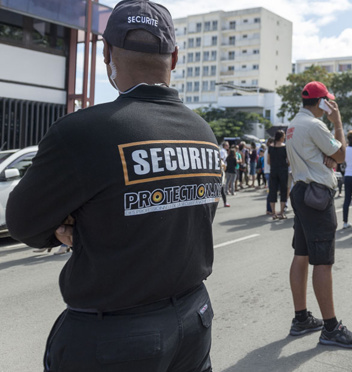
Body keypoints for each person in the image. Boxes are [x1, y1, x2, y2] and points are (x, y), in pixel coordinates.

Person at [6, 1, 220, 371]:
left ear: (106, 53)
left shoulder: (82, 132)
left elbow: (24, 223)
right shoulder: (203, 133)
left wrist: (83, 230)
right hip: (194, 318)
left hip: (119, 337)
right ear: (175, 57)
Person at [286, 81, 352, 348]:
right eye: (328, 101)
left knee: (301, 254)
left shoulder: (294, 124)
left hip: (300, 190)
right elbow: (342, 155)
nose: (330, 105)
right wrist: (338, 122)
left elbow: (325, 157)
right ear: (321, 102)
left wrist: (328, 158)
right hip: (317, 194)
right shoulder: (315, 125)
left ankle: (301, 318)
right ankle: (331, 327)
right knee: (323, 261)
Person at [268, 130, 289, 219]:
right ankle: (281, 212)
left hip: (273, 170)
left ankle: (273, 213)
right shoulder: (285, 147)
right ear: (281, 137)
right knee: (283, 191)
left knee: (273, 191)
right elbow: (289, 161)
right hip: (283, 171)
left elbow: (268, 161)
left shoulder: (270, 147)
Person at [220, 141, 231, 207]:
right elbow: (222, 160)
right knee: (221, 187)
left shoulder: (224, 151)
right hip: (221, 172)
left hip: (223, 170)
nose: (228, 146)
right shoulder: (222, 151)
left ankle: (225, 202)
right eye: (227, 145)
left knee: (222, 188)